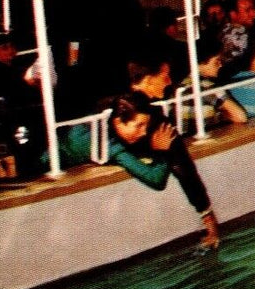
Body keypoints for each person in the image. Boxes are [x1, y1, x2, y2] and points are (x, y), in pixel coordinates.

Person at [57, 92, 221, 248]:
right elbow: (156, 180)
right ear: (118, 122)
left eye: (146, 125)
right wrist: (161, 153)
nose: (143, 132)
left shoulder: (130, 115)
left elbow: (182, 163)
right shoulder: (106, 141)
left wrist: (206, 214)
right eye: (139, 126)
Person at [175, 34, 249, 128]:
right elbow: (241, 117)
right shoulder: (207, 87)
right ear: (201, 63)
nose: (220, 65)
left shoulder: (179, 84)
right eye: (216, 61)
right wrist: (222, 115)